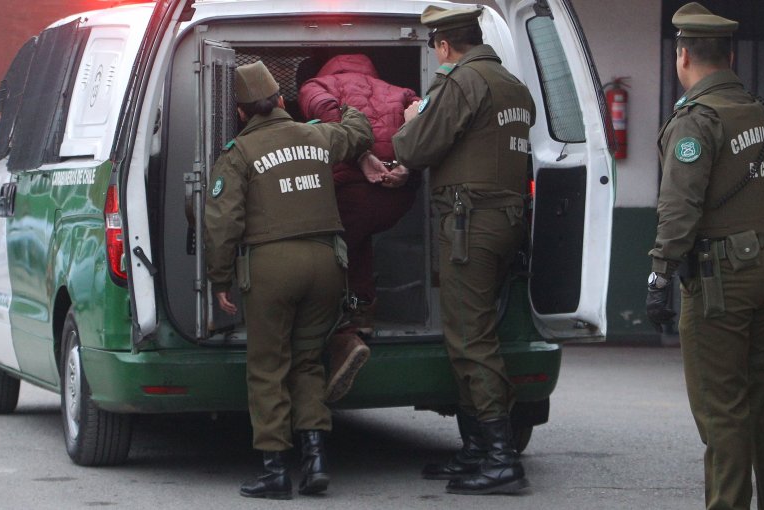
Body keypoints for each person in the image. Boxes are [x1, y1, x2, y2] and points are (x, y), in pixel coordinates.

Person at [645, 3, 764, 509]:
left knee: (721, 410)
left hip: (719, 278)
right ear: (729, 54)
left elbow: (679, 206)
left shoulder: (696, 120)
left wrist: (660, 274)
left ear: (682, 55)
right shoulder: (760, 112)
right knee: (763, 400)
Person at [204, 61, 373, 499]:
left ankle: (275, 469)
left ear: (241, 114)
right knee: (308, 361)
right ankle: (316, 459)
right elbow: (358, 134)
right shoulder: (317, 134)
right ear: (281, 101)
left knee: (268, 365)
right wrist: (351, 104)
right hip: (327, 266)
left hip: (272, 268)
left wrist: (220, 278)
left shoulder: (238, 152)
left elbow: (224, 221)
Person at [391, 5, 535, 496]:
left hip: (470, 225)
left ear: (444, 46)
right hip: (505, 222)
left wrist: (413, 117)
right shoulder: (512, 85)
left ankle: (499, 457)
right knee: (472, 331)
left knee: (472, 339)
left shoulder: (460, 83)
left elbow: (413, 148)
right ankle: (477, 448)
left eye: (435, 50)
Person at [298, 53, 421, 403]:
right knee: (357, 239)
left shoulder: (316, 86)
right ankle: (364, 308)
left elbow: (326, 112)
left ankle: (344, 335)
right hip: (395, 197)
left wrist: (359, 155)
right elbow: (424, 124)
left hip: (348, 193)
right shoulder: (402, 91)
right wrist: (407, 167)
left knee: (327, 252)